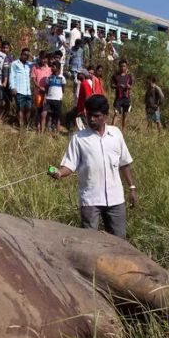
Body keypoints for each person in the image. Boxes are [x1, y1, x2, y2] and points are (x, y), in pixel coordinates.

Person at [50, 94, 138, 239]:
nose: (91, 119)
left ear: (106, 115)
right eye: (89, 115)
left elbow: (124, 163)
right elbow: (69, 165)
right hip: (91, 201)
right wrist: (59, 173)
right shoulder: (78, 138)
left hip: (116, 200)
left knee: (119, 242)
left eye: (96, 116)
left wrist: (132, 188)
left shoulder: (116, 134)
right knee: (90, 243)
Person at [9, 47, 33, 129]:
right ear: (21, 54)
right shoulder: (14, 64)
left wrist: (31, 56)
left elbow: (37, 61)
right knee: (20, 109)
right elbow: (11, 76)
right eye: (24, 54)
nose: (26, 56)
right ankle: (21, 126)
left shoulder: (29, 65)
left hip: (28, 91)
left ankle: (26, 124)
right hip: (19, 90)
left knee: (29, 108)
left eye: (27, 55)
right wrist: (12, 87)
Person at [110, 59, 133, 129]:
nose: (123, 68)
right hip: (118, 98)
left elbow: (130, 86)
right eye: (121, 66)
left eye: (124, 66)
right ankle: (112, 130)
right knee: (116, 113)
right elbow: (111, 85)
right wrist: (118, 86)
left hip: (126, 98)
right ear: (119, 67)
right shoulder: (115, 76)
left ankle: (123, 130)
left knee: (125, 114)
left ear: (126, 67)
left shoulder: (129, 76)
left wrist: (127, 86)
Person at [44, 61, 65, 133]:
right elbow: (46, 88)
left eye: (53, 67)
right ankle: (48, 130)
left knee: (57, 116)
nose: (51, 68)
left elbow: (63, 88)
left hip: (58, 99)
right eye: (51, 66)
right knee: (49, 115)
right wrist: (46, 96)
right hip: (49, 99)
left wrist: (60, 95)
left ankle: (57, 132)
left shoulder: (62, 78)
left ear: (58, 68)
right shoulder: (49, 78)